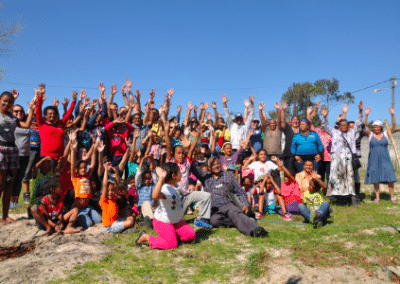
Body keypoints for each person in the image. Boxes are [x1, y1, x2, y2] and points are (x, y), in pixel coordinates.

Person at [192, 157, 268, 237]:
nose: (216, 166)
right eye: (213, 165)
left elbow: (240, 192)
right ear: (209, 168)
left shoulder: (228, 175)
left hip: (228, 204)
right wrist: (188, 152)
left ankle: (255, 229)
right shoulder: (205, 177)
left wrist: (245, 204)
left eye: (218, 163)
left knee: (235, 213)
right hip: (215, 209)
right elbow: (194, 168)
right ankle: (245, 219)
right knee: (214, 221)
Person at [135, 163, 196, 249]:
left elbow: (160, 167)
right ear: (174, 175)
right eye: (179, 172)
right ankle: (146, 237)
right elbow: (155, 196)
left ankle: (173, 235)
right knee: (172, 245)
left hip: (175, 221)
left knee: (190, 235)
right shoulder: (166, 189)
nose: (181, 173)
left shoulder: (176, 185)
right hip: (163, 222)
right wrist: (160, 179)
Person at [0, 91, 35, 225]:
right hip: (1, 150)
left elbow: (26, 125)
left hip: (13, 150)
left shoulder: (13, 117)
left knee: (10, 184)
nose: (7, 104)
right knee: (1, 185)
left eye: (10, 102)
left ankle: (5, 216)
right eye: (4, 101)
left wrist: (31, 110)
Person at [321, 101, 364, 207]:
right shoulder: (334, 132)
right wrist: (325, 116)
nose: (344, 127)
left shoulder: (351, 132)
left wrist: (360, 111)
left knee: (349, 178)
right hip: (336, 157)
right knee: (335, 178)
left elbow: (358, 123)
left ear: (348, 126)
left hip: (348, 158)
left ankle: (352, 197)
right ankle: (334, 197)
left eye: (345, 125)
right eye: (342, 125)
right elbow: (324, 125)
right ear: (339, 126)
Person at [363, 106, 397, 204]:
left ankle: (392, 197)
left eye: (377, 127)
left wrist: (392, 114)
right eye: (374, 127)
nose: (375, 129)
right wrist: (366, 115)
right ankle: (377, 197)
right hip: (373, 159)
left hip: (385, 159)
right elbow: (364, 125)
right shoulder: (371, 135)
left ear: (381, 128)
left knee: (390, 176)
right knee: (375, 178)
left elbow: (393, 125)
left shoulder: (386, 134)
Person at [11, 102, 36, 208]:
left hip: (25, 155)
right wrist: (13, 99)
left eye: (21, 111)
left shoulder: (26, 122)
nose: (19, 113)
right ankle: (10, 201)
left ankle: (15, 202)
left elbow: (31, 110)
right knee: (11, 179)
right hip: (12, 155)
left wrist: (36, 96)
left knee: (19, 179)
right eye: (16, 111)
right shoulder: (10, 122)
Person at [100, 162, 135, 233]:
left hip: (115, 222)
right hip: (109, 227)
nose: (110, 192)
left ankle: (125, 228)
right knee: (130, 222)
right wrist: (106, 171)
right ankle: (125, 230)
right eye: (108, 191)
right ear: (104, 191)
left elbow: (117, 184)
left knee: (130, 217)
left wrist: (116, 173)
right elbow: (104, 184)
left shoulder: (113, 198)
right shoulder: (104, 199)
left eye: (112, 190)